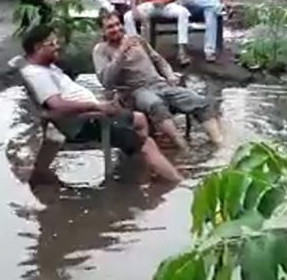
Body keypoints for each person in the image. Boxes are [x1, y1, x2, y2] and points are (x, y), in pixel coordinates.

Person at [19, 24, 183, 185]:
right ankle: (177, 183)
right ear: (38, 47)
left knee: (139, 119)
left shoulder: (44, 67)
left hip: (92, 115)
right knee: (147, 143)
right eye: (52, 44)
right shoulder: (37, 74)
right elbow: (57, 106)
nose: (57, 47)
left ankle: (137, 170)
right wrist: (97, 107)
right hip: (87, 122)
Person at [94, 12, 224, 151]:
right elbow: (106, 81)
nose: (116, 29)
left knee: (199, 101)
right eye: (110, 27)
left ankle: (220, 144)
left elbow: (158, 60)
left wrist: (170, 76)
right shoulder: (101, 50)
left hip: (159, 84)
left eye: (117, 24)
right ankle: (184, 148)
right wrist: (120, 54)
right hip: (135, 91)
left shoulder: (136, 40)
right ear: (103, 31)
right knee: (156, 104)